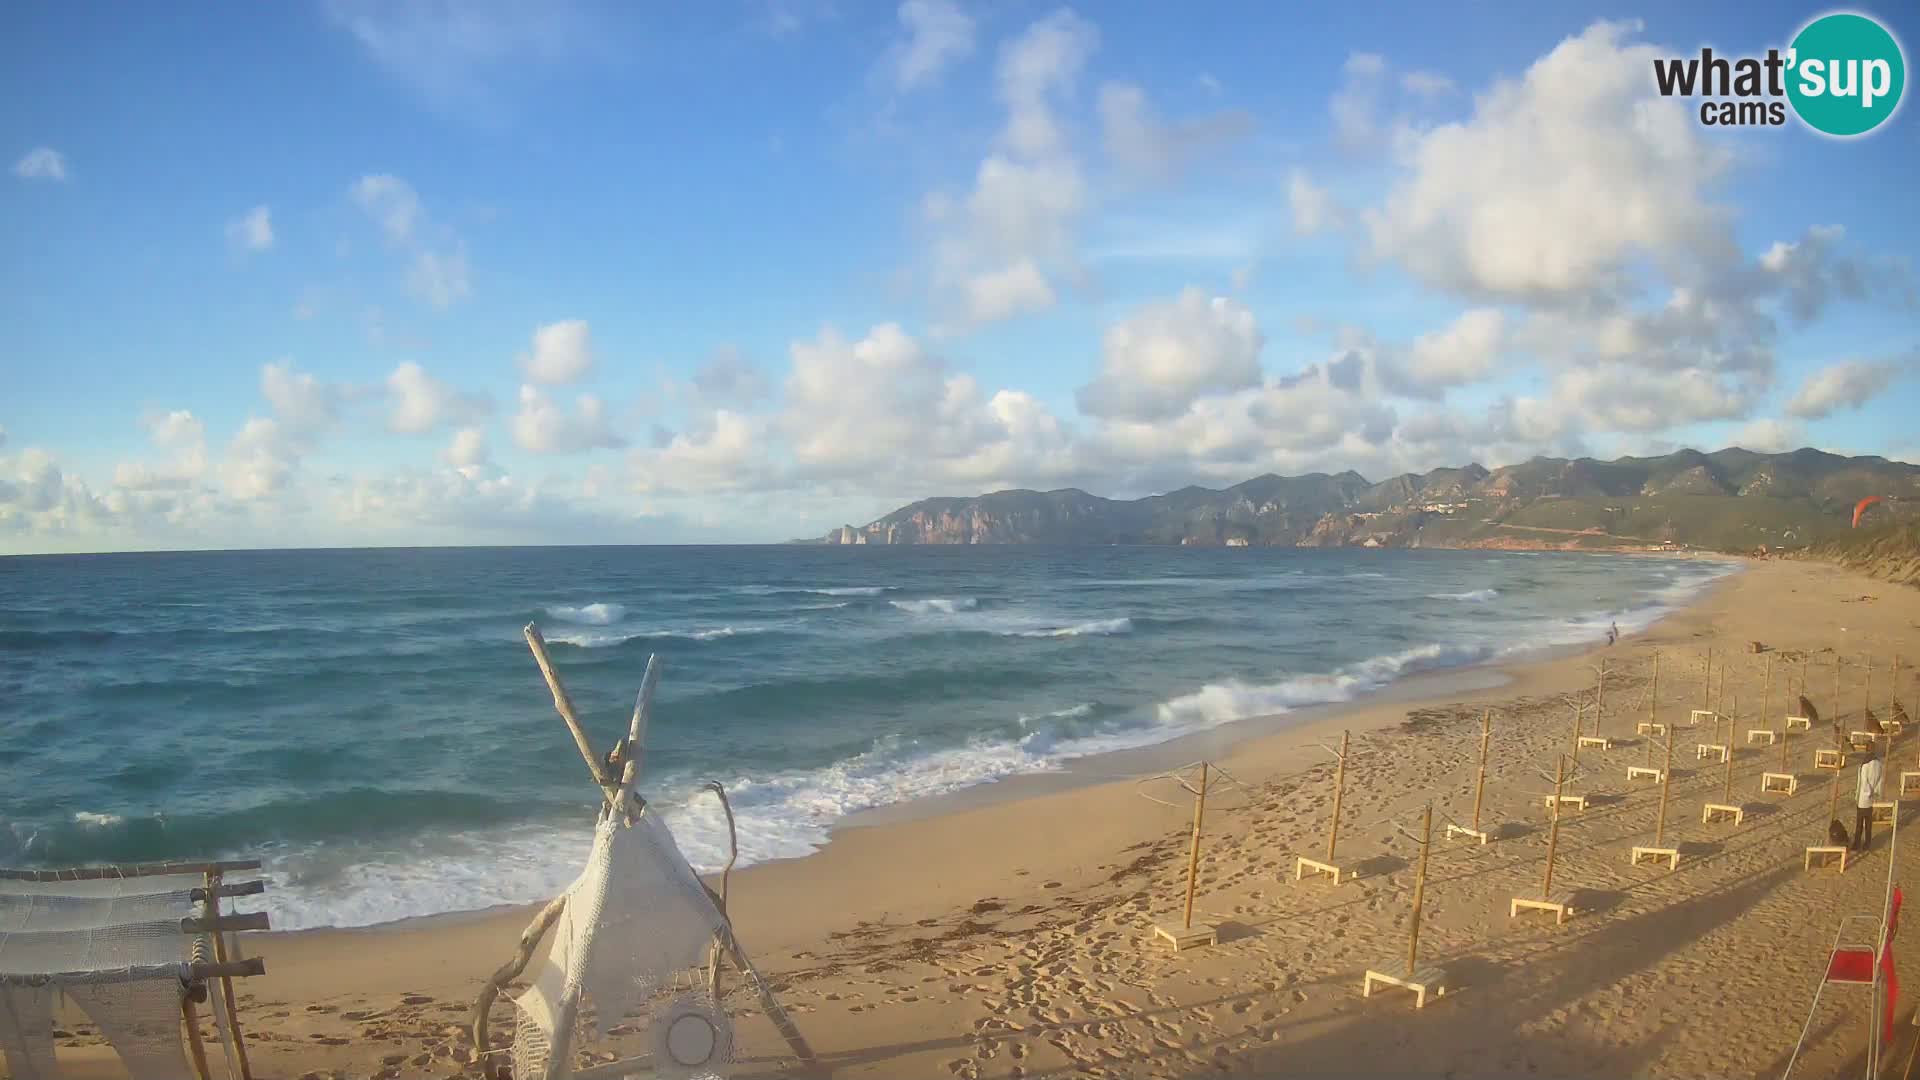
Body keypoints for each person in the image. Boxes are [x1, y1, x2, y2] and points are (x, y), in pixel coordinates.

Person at [1854, 742, 1886, 852]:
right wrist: (1876, 792)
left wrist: (1867, 793)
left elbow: (1864, 782)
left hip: (1863, 798)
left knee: (1859, 823)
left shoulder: (1865, 764)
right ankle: (1867, 843)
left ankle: (1857, 843)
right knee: (1868, 823)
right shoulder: (1879, 763)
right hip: (1872, 797)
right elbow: (1880, 780)